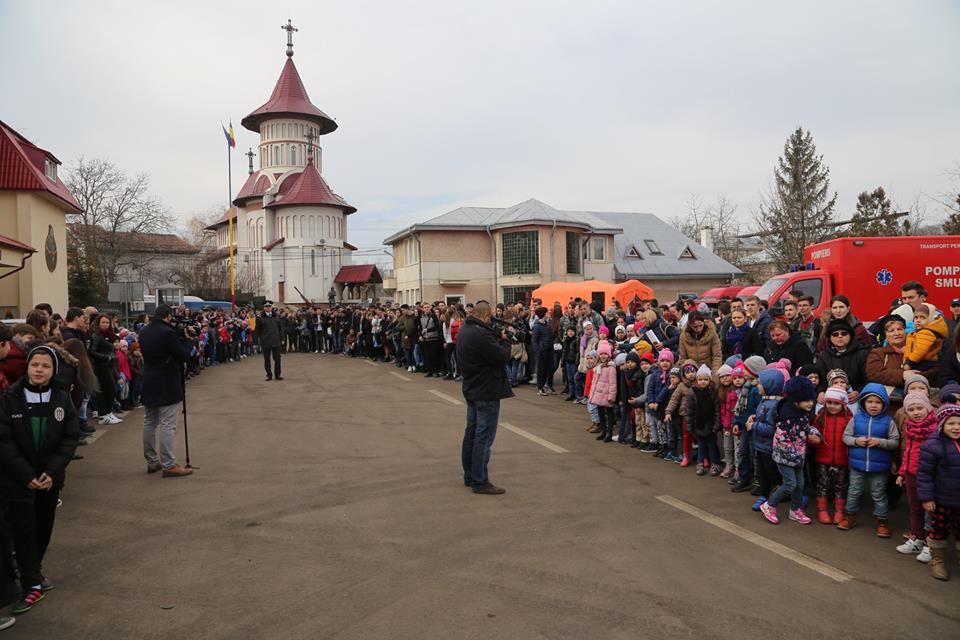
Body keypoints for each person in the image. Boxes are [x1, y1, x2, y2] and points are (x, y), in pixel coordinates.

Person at [0, 345, 79, 614]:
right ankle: (31, 583)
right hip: (18, 481)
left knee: (43, 527)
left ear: (54, 370)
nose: (39, 370)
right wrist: (26, 474)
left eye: (45, 366)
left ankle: (35, 570)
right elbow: (4, 440)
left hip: (49, 481)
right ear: (27, 367)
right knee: (22, 530)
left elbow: (70, 437)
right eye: (35, 365)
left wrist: (52, 472)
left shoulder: (62, 397)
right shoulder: (11, 397)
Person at [457, 301, 513, 495]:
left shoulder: (466, 329)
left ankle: (470, 476)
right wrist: (505, 340)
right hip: (486, 391)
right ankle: (480, 481)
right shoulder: (480, 334)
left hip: (472, 388)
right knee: (483, 437)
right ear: (486, 316)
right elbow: (501, 357)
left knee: (472, 433)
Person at [139, 305, 193, 478]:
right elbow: (183, 355)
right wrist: (187, 340)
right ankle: (169, 464)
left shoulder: (144, 331)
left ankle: (152, 461)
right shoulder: (168, 333)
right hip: (167, 382)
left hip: (149, 379)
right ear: (168, 316)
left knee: (149, 422)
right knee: (167, 424)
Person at [837, 384, 899, 536]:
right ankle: (849, 516)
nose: (873, 405)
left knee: (878, 494)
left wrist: (880, 442)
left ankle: (882, 521)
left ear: (884, 404)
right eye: (870, 401)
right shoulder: (856, 419)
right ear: (863, 402)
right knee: (854, 492)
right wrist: (856, 441)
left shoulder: (889, 422)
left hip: (879, 468)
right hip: (857, 466)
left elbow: (895, 442)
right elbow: (845, 437)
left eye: (878, 402)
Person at [761, 376, 821, 525]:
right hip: (785, 457)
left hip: (798, 455)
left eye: (811, 399)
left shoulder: (801, 414)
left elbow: (805, 428)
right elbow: (782, 440)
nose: (810, 403)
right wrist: (794, 454)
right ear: (795, 400)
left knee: (800, 484)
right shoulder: (786, 418)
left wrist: (815, 433)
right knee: (790, 484)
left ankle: (795, 509)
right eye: (806, 400)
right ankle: (769, 505)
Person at [896, 392, 938, 558]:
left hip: (930, 477)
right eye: (911, 410)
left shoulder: (936, 430)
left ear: (928, 408)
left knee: (930, 512)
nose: (916, 412)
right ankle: (917, 539)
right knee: (915, 509)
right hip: (911, 474)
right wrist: (902, 473)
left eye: (920, 408)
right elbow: (908, 452)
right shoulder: (910, 427)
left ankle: (931, 545)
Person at [813, 386, 853, 524]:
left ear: (843, 404)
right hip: (823, 458)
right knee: (822, 484)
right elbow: (814, 433)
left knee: (840, 486)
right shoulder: (820, 417)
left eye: (836, 403)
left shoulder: (849, 419)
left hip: (842, 459)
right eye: (829, 402)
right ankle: (822, 510)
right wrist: (812, 439)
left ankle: (839, 511)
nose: (832, 406)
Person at [686, 365, 721, 476]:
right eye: (700, 379)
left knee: (711, 446)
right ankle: (700, 463)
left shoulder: (713, 393)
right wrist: (690, 426)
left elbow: (717, 411)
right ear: (696, 380)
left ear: (709, 380)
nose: (703, 382)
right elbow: (689, 411)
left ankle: (714, 464)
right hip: (698, 425)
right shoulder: (692, 393)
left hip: (710, 425)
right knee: (701, 446)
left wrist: (716, 425)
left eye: (705, 379)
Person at [903, 303, 948, 373]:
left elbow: (920, 350)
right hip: (918, 362)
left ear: (931, 319)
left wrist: (909, 363)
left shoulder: (926, 332)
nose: (918, 320)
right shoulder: (918, 332)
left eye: (922, 317)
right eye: (916, 317)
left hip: (923, 364)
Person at [589, 342, 618, 443]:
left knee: (609, 414)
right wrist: (592, 394)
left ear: (609, 355)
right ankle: (603, 431)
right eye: (601, 354)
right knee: (600, 413)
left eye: (605, 354)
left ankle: (609, 433)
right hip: (598, 394)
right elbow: (594, 382)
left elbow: (613, 383)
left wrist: (611, 396)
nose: (603, 356)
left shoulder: (611, 367)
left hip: (606, 395)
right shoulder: (598, 367)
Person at [255, 301, 283, 381]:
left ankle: (277, 375)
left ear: (271, 307)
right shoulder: (260, 318)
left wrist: (282, 338)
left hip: (276, 341)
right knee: (267, 360)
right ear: (264, 308)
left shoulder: (276, 316)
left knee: (277, 359)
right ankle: (269, 375)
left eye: (269, 306)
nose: (268, 308)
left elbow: (280, 329)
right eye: (266, 306)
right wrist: (255, 343)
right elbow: (257, 331)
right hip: (265, 342)